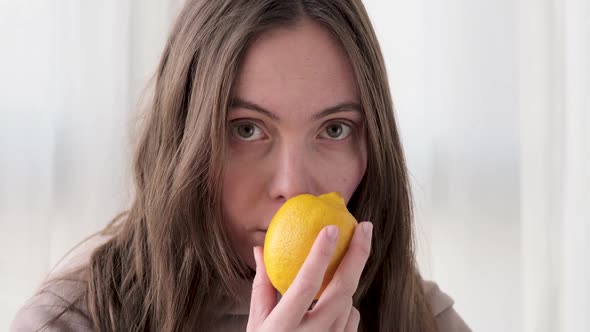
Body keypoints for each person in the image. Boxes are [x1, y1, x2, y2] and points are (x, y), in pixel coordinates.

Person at [11, 0, 471, 331]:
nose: (293, 187)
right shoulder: (71, 322)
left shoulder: (423, 319)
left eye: (334, 130)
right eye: (247, 129)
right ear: (184, 140)